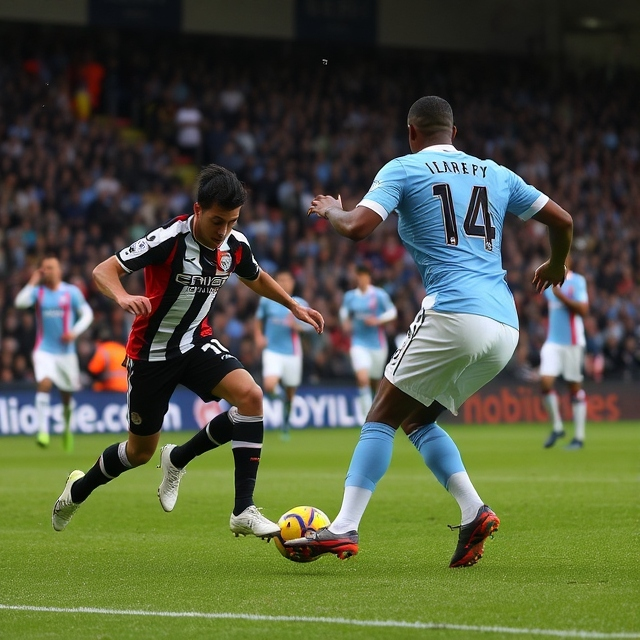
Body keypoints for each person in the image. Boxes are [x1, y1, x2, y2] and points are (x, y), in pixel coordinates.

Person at [286, 96, 573, 568]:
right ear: (454, 134)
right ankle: (473, 511)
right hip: (504, 326)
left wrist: (332, 210)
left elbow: (358, 228)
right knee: (418, 419)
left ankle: (342, 527)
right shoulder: (495, 172)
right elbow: (562, 220)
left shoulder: (403, 168)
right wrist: (557, 263)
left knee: (380, 415)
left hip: (453, 313)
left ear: (411, 133)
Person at [51, 164, 324, 539]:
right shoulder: (168, 238)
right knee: (139, 453)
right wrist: (123, 295)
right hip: (151, 354)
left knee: (251, 397)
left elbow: (255, 276)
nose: (223, 230)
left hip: (196, 342)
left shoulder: (234, 245)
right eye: (217, 221)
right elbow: (103, 271)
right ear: (197, 210)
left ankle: (242, 507)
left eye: (232, 221)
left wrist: (292, 305)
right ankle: (78, 490)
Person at [14, 255, 94, 451]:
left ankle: (67, 428)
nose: (46, 271)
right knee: (45, 382)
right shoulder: (38, 293)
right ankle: (42, 431)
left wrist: (74, 333)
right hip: (44, 350)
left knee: (66, 395)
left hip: (66, 353)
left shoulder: (71, 292)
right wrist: (32, 281)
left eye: (50, 267)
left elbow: (88, 314)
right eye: (44, 268)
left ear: (59, 271)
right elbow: (20, 303)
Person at [254, 269, 312, 440]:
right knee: (270, 385)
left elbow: (311, 326)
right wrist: (258, 336)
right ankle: (280, 399)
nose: (285, 283)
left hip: (293, 353)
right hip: (272, 350)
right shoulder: (267, 301)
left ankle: (285, 424)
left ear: (293, 283)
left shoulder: (299, 303)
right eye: (281, 279)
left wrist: (298, 327)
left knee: (290, 392)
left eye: (287, 280)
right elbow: (257, 320)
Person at [540, 256, 589, 450]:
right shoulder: (549, 283)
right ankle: (558, 427)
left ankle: (578, 437)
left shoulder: (577, 281)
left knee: (574, 388)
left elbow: (583, 310)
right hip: (553, 341)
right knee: (545, 382)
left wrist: (562, 297)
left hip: (573, 342)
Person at [339, 264, 397, 418]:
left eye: (365, 276)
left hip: (377, 344)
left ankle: (375, 409)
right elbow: (344, 311)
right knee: (362, 377)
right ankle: (367, 417)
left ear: (369, 278)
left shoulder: (379, 295)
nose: (362, 279)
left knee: (374, 382)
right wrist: (345, 322)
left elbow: (392, 312)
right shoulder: (350, 296)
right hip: (358, 342)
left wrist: (378, 320)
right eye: (359, 276)